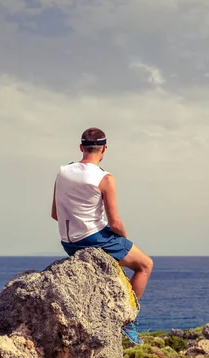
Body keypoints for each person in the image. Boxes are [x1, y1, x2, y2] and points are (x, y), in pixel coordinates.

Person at [51, 127, 153, 345]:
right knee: (145, 265)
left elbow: (54, 214)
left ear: (81, 147)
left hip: (68, 243)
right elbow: (115, 223)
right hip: (93, 238)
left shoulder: (62, 172)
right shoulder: (105, 178)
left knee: (118, 269)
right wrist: (124, 241)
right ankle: (127, 319)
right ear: (104, 148)